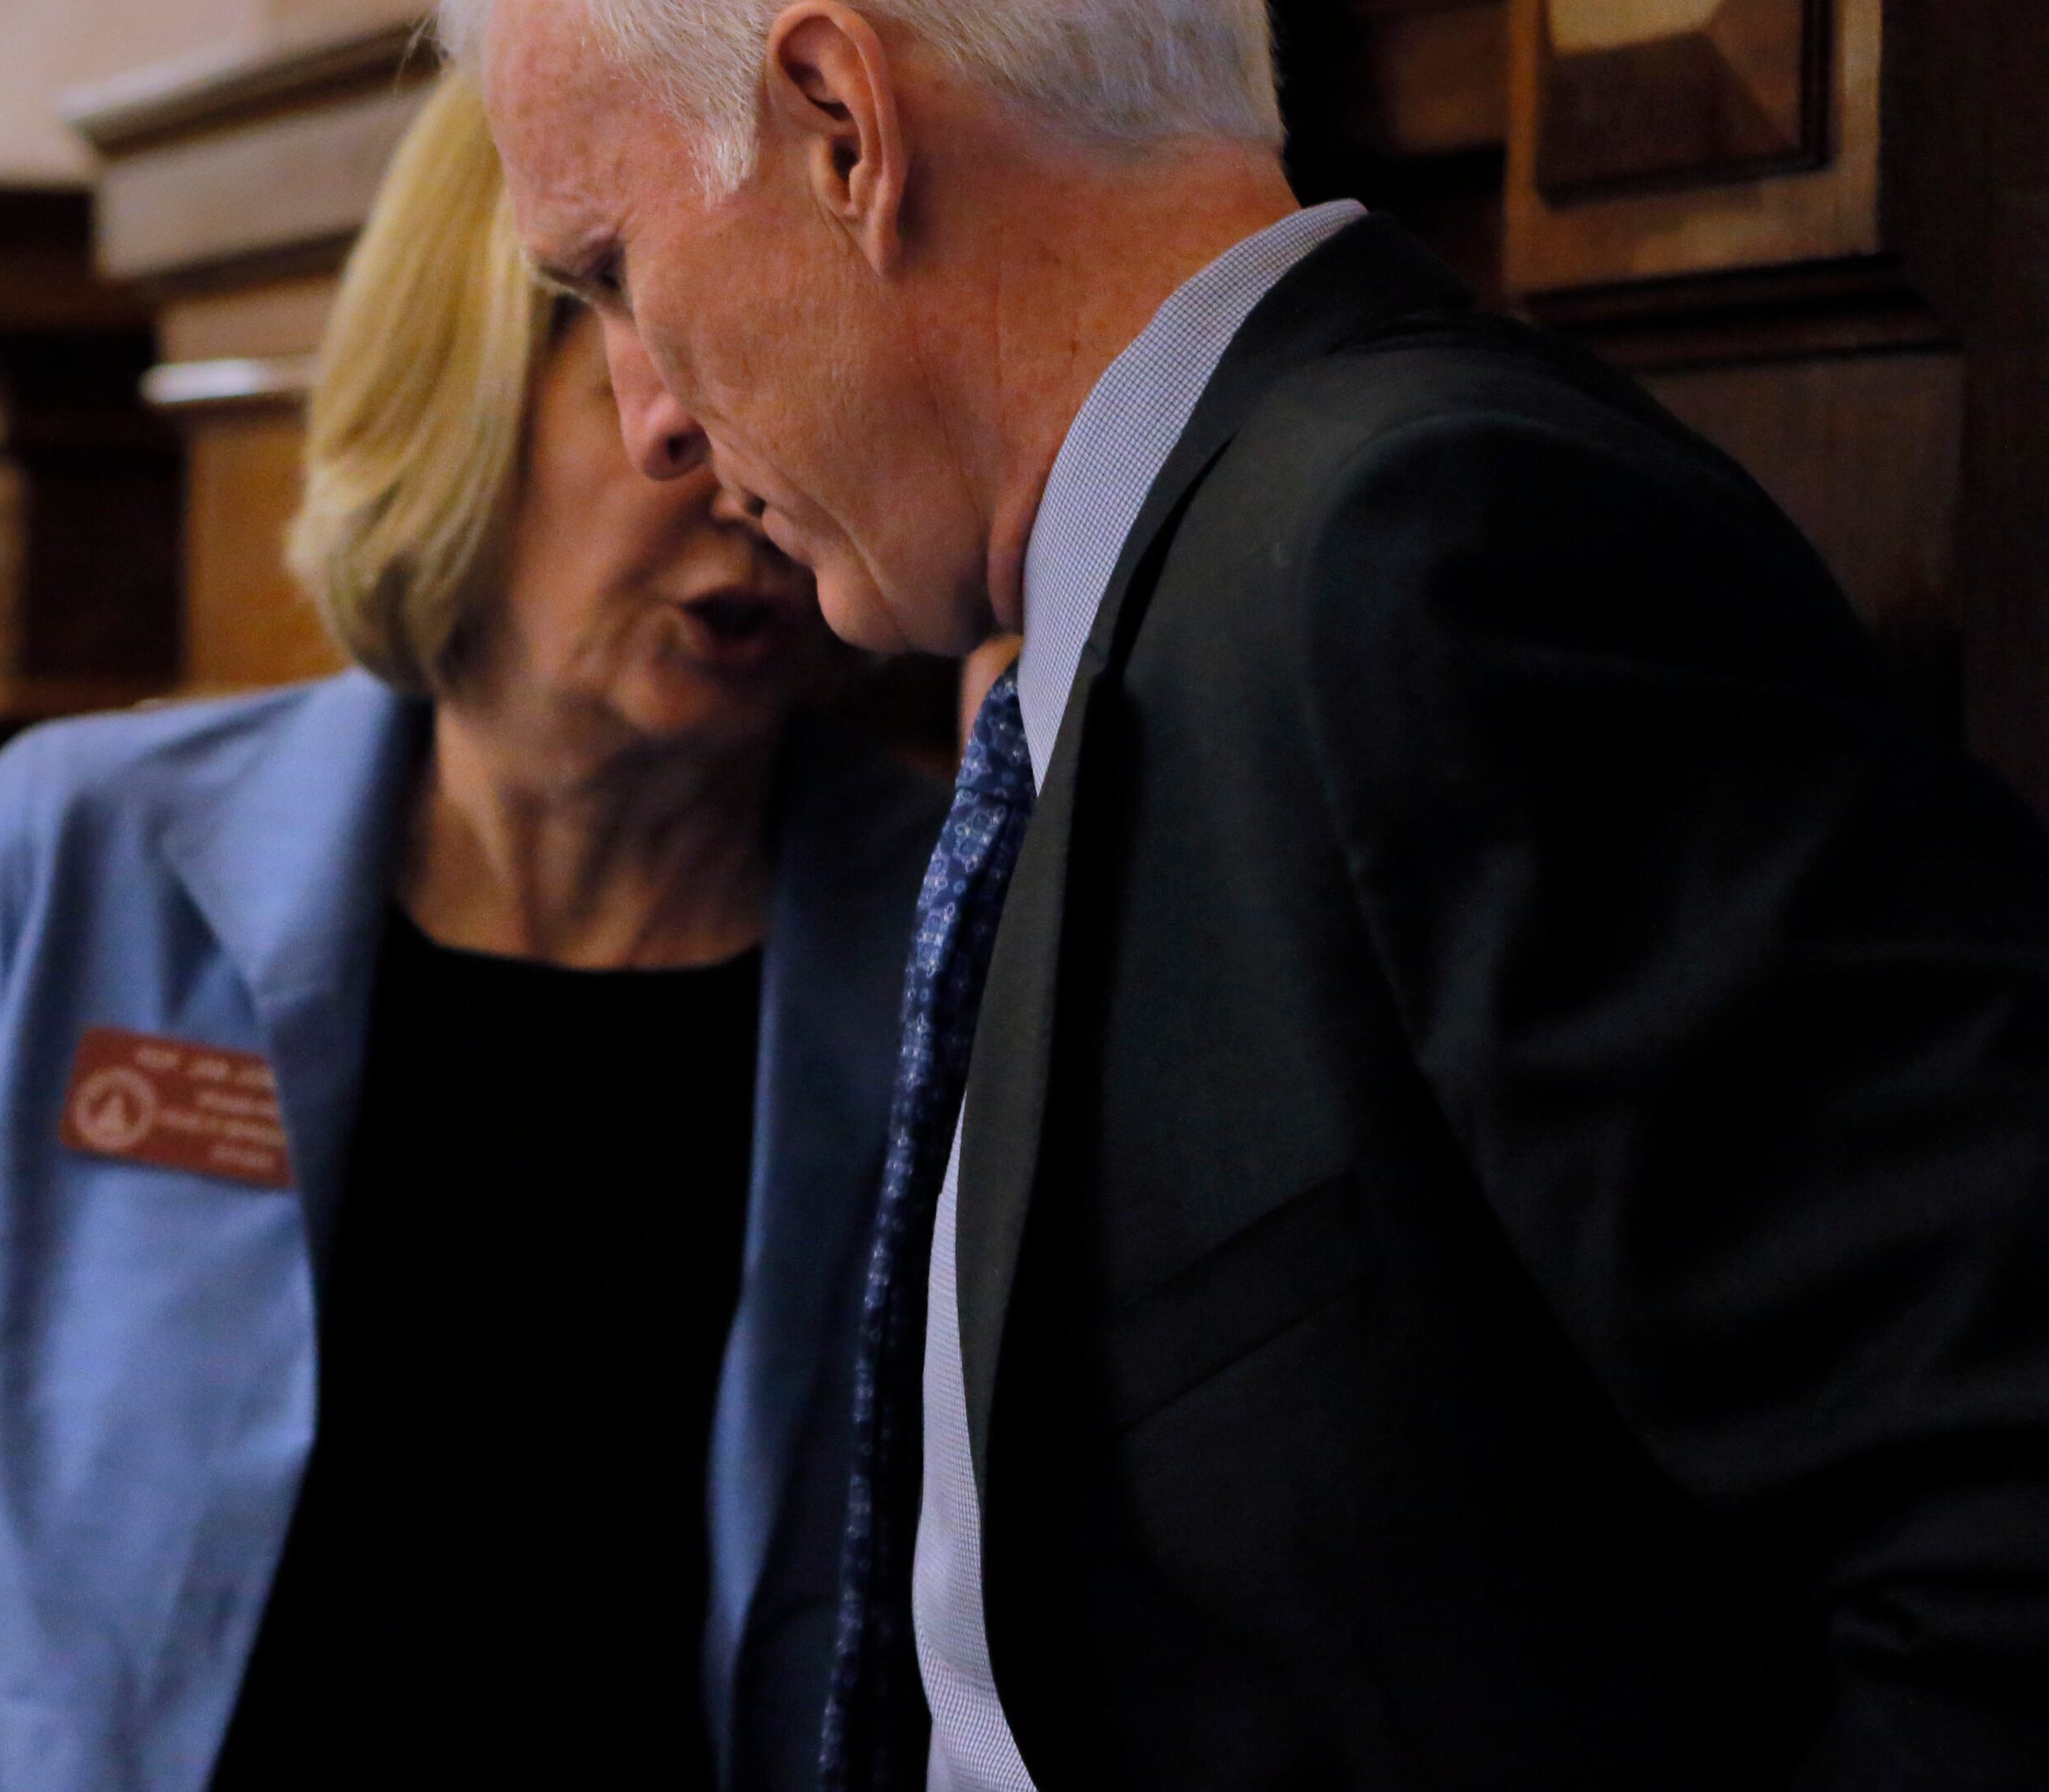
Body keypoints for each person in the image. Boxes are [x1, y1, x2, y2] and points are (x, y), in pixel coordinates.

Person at [448, 0, 2049, 1787]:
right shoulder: (1150, 606)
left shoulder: (1426, 541)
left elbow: (2001, 1535)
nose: (646, 418)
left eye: (610, 270)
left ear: (844, 129)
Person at [0, 73, 942, 1792]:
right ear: (471, 384)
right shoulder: (80, 859)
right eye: (680, 379)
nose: (750, 479)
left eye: (795, 375)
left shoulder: (958, 929)